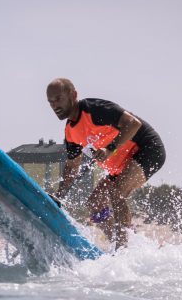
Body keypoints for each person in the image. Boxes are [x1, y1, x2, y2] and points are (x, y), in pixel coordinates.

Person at [47, 78, 165, 249]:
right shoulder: (71, 132)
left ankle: (123, 249)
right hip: (122, 164)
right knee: (94, 204)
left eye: (58, 99)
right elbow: (73, 166)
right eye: (50, 102)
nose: (54, 105)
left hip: (147, 149)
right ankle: (130, 244)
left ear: (73, 95)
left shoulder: (95, 109)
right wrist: (59, 197)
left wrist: (110, 149)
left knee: (116, 192)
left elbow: (133, 124)